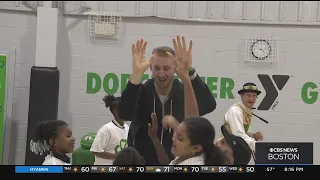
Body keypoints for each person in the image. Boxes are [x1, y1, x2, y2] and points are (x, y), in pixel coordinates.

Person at [118, 35, 217, 164]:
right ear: (150, 68)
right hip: (142, 161)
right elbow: (124, 114)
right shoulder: (142, 91)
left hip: (176, 161)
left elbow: (209, 105)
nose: (161, 74)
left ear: (175, 68)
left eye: (166, 68)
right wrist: (136, 75)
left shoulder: (183, 91)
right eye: (157, 68)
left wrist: (190, 72)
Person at [149, 115, 229, 165]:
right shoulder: (186, 155)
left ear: (196, 148)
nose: (173, 138)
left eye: (180, 138)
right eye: (175, 132)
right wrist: (155, 138)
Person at [221, 82, 264, 152]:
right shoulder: (235, 111)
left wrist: (253, 136)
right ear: (242, 96)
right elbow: (238, 134)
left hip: (236, 150)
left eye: (254, 96)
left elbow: (244, 133)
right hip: (227, 151)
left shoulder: (246, 111)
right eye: (248, 95)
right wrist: (258, 147)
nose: (251, 98)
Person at [90, 95, 129, 165]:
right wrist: (117, 156)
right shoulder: (106, 129)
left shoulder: (127, 127)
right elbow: (95, 151)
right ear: (115, 111)